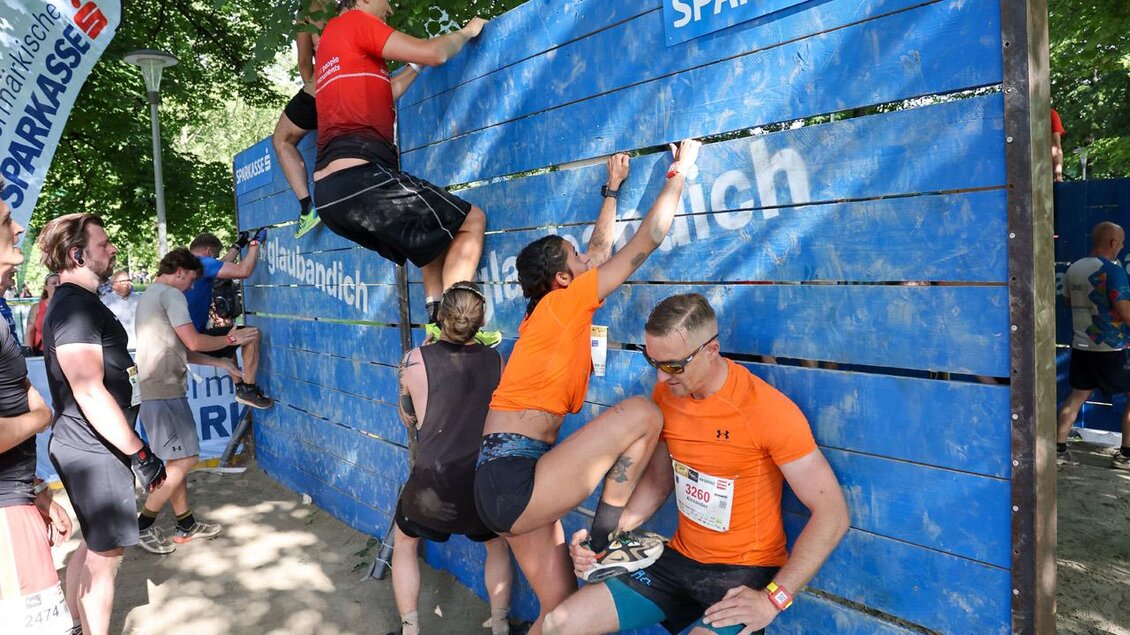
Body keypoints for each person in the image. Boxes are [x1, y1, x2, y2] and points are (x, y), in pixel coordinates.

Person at [473, 141, 701, 631]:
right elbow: (646, 242)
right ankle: (605, 541)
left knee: (560, 618)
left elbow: (597, 252)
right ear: (562, 278)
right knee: (644, 413)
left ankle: (603, 543)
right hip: (515, 480)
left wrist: (612, 190)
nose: (590, 259)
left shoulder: (548, 314)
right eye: (575, 258)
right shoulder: (563, 306)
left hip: (502, 479)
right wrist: (679, 173)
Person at [539, 294, 850, 635]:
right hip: (678, 561)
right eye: (653, 361)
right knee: (559, 624)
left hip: (742, 573)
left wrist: (773, 599)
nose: (660, 378)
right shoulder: (668, 394)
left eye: (673, 365)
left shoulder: (767, 411)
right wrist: (608, 540)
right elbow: (659, 481)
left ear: (711, 350)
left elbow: (832, 513)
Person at [311, 0, 493, 335]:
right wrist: (467, 32)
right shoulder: (354, 21)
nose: (390, 11)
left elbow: (386, 91)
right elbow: (436, 52)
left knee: (429, 242)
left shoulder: (330, 43)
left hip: (329, 195)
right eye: (387, 3)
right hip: (361, 178)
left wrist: (414, 68)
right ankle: (459, 332)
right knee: (471, 220)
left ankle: (436, 328)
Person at [38, 213, 167, 635]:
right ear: (77, 254)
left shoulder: (80, 301)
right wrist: (140, 453)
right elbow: (89, 390)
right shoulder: (74, 306)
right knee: (105, 559)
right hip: (93, 449)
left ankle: (76, 626)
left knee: (93, 548)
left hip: (89, 445)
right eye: (103, 244)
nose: (112, 250)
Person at [391, 281, 513, 635]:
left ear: (441, 317)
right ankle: (501, 624)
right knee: (497, 545)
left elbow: (408, 415)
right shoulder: (495, 359)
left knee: (405, 542)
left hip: (433, 482)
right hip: (479, 481)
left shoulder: (413, 359)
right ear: (480, 323)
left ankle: (411, 629)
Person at [134, 248, 256, 554]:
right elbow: (194, 341)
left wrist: (223, 363)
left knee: (177, 460)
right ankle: (142, 526)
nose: (192, 288)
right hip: (164, 390)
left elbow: (184, 350)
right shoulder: (172, 296)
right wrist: (232, 340)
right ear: (180, 272)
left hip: (158, 389)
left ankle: (185, 524)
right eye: (191, 280)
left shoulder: (150, 294)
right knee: (186, 460)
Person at [0, 183, 75, 634]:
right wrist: (41, 417)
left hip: (17, 502)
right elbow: (31, 405)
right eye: (7, 220)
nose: (21, 227)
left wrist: (40, 492)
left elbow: (17, 388)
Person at [1057, 221, 1130, 469]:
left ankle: (1058, 449)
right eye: (1121, 242)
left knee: (1077, 396)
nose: (1122, 246)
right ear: (1112, 242)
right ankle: (1126, 456)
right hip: (1113, 350)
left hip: (1082, 346)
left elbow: (1067, 301)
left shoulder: (1074, 268)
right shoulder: (1114, 271)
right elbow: (1125, 312)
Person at [186, 231, 272, 409]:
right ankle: (247, 389)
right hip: (194, 340)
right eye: (215, 256)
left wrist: (239, 245)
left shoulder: (186, 264)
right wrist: (254, 244)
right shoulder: (202, 263)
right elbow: (244, 271)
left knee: (229, 337)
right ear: (208, 252)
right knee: (252, 335)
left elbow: (221, 265)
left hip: (181, 341)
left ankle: (240, 386)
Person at [274, 0, 335, 239]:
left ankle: (307, 208)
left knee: (282, 140)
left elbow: (303, 63)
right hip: (354, 84)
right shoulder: (356, 5)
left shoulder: (307, 11)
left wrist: (315, 89)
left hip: (321, 87)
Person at [101, 269, 139, 349]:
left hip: (138, 345)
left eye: (129, 280)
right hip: (116, 347)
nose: (127, 283)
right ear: (113, 284)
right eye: (123, 281)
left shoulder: (140, 299)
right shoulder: (105, 302)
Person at [24, 273, 59, 355]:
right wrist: (28, 351)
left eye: (61, 283)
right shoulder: (37, 307)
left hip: (65, 351)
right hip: (43, 352)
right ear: (46, 287)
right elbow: (30, 331)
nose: (58, 285)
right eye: (54, 283)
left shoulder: (70, 305)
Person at [1051, 108, 1066, 183]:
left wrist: (1058, 176)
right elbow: (1056, 145)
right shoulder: (1050, 114)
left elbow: (1055, 146)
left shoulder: (1050, 114)